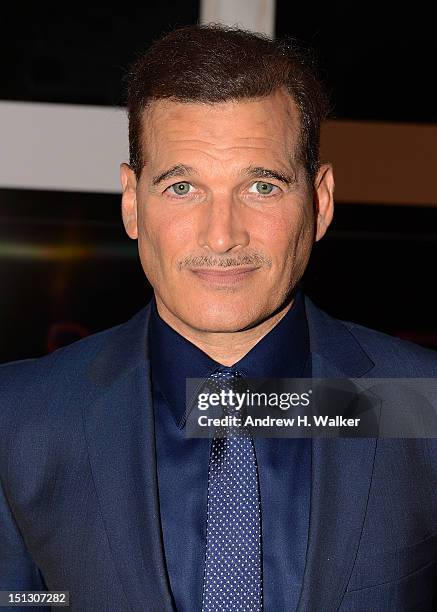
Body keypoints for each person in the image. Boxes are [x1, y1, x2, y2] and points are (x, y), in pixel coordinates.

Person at [1, 24, 436, 612]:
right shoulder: (18, 420)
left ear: (320, 202)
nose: (222, 236)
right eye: (183, 187)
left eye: (261, 185)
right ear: (133, 203)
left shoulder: (420, 403)